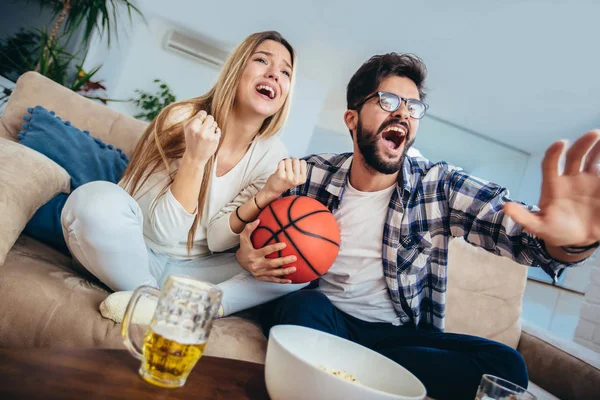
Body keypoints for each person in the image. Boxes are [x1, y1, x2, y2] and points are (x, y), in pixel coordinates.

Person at [234, 53, 600, 399]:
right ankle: (374, 381)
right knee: (301, 307)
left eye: (413, 107)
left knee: (506, 366)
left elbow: (513, 226)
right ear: (352, 119)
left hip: (397, 339)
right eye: (388, 101)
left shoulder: (438, 186)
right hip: (325, 318)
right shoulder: (312, 173)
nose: (403, 114)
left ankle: (350, 372)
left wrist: (570, 243)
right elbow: (255, 235)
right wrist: (247, 254)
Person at [61, 31, 307, 320]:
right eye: (262, 60)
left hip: (193, 271)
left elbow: (217, 240)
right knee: (90, 200)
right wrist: (195, 158)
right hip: (130, 249)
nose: (274, 74)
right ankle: (153, 299)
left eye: (285, 71)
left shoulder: (272, 155)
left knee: (297, 271)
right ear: (237, 69)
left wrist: (266, 194)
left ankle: (177, 306)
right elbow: (165, 232)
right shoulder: (182, 118)